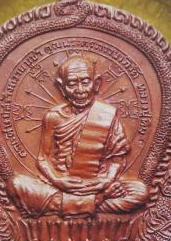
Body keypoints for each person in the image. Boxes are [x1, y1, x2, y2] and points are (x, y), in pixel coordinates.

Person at [9, 55, 148, 217]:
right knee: (16, 184)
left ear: (96, 83)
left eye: (85, 82)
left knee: (140, 191)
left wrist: (105, 182)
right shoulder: (54, 117)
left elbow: (117, 159)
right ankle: (95, 202)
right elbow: (43, 158)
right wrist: (57, 180)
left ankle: (63, 205)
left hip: (97, 184)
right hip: (60, 186)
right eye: (72, 84)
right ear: (62, 87)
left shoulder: (106, 115)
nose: (80, 90)